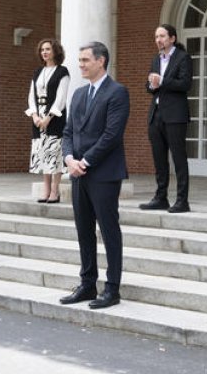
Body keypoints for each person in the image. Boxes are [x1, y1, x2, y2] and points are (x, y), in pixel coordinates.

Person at [59, 42, 130, 310]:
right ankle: (88, 284)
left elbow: (111, 135)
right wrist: (69, 160)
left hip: (104, 173)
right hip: (78, 173)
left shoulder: (117, 92)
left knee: (109, 230)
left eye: (85, 59)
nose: (81, 64)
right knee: (84, 230)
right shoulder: (77, 94)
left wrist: (85, 162)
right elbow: (68, 133)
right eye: (79, 60)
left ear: (101, 61)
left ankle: (112, 289)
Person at [140, 24, 193, 213]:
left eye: (162, 36)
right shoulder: (156, 59)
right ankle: (161, 197)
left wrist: (162, 81)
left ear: (172, 38)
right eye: (156, 37)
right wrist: (152, 85)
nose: (158, 40)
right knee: (159, 158)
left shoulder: (182, 58)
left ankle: (182, 201)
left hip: (175, 115)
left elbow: (185, 84)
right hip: (156, 114)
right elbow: (149, 87)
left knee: (179, 158)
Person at [26, 38, 70, 203]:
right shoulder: (37, 72)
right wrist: (35, 115)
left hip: (55, 117)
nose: (44, 52)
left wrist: (48, 118)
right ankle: (45, 189)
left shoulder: (62, 72)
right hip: (38, 117)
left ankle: (54, 191)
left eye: (48, 49)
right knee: (42, 153)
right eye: (42, 49)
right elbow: (32, 96)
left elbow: (61, 98)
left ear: (55, 52)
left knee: (54, 153)